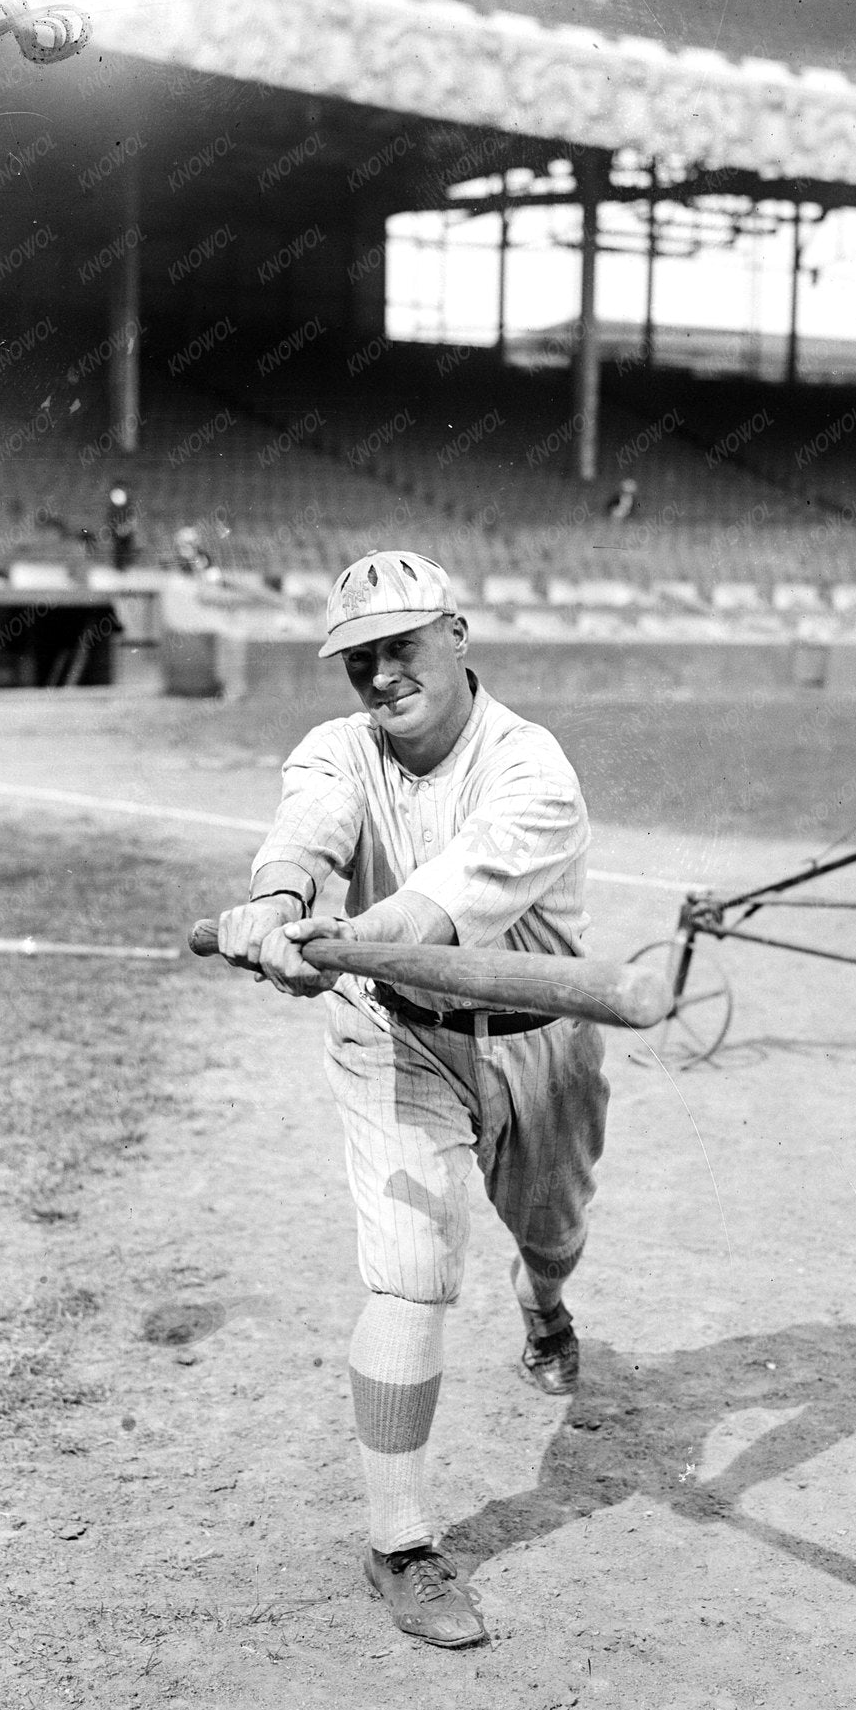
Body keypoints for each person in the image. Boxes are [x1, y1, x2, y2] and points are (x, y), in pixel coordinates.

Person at [216, 550, 610, 1649]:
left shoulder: (533, 768)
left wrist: (332, 937)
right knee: (412, 1273)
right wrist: (278, 902)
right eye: (358, 661)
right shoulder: (340, 748)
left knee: (554, 1231)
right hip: (394, 1035)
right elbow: (312, 822)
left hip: (539, 1044)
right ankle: (399, 1541)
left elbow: (434, 911)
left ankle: (545, 1304)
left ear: (458, 633)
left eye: (401, 646)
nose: (382, 676)